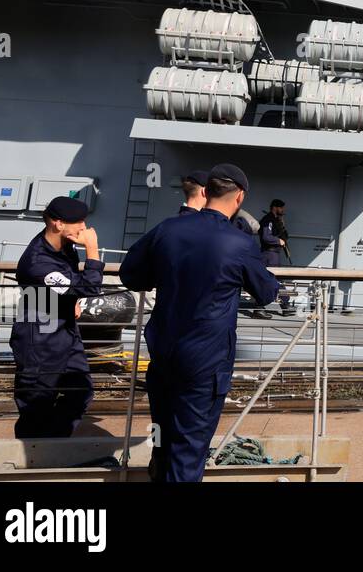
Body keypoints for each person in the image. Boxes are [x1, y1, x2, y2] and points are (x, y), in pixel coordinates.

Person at [120, 163, 280, 482]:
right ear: (239, 197)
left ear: (205, 192)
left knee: (162, 439)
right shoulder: (239, 243)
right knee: (189, 449)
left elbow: (130, 274)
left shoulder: (168, 229)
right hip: (204, 363)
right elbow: (266, 292)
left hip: (163, 356)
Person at [10, 197, 105, 439]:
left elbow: (68, 286)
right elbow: (88, 289)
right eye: (77, 222)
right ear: (58, 223)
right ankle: (31, 460)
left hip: (65, 333)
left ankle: (54, 446)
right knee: (37, 404)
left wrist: (71, 300)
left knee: (81, 391)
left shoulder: (65, 247)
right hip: (39, 340)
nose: (83, 228)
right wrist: (93, 252)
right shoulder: (37, 262)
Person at [258, 199, 294, 315]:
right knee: (275, 280)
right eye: (281, 208)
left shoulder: (275, 220)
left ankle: (260, 307)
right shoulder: (268, 219)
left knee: (270, 279)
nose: (283, 210)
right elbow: (265, 237)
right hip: (269, 254)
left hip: (273, 254)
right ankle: (284, 305)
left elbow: (284, 235)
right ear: (274, 207)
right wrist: (278, 240)